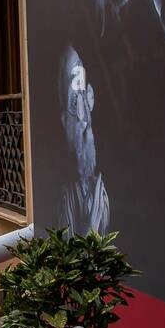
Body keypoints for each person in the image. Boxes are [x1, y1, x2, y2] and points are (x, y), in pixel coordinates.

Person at [58, 45, 110, 235]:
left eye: (83, 97)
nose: (82, 117)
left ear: (91, 96)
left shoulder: (100, 183)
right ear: (63, 119)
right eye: (74, 102)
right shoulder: (67, 194)